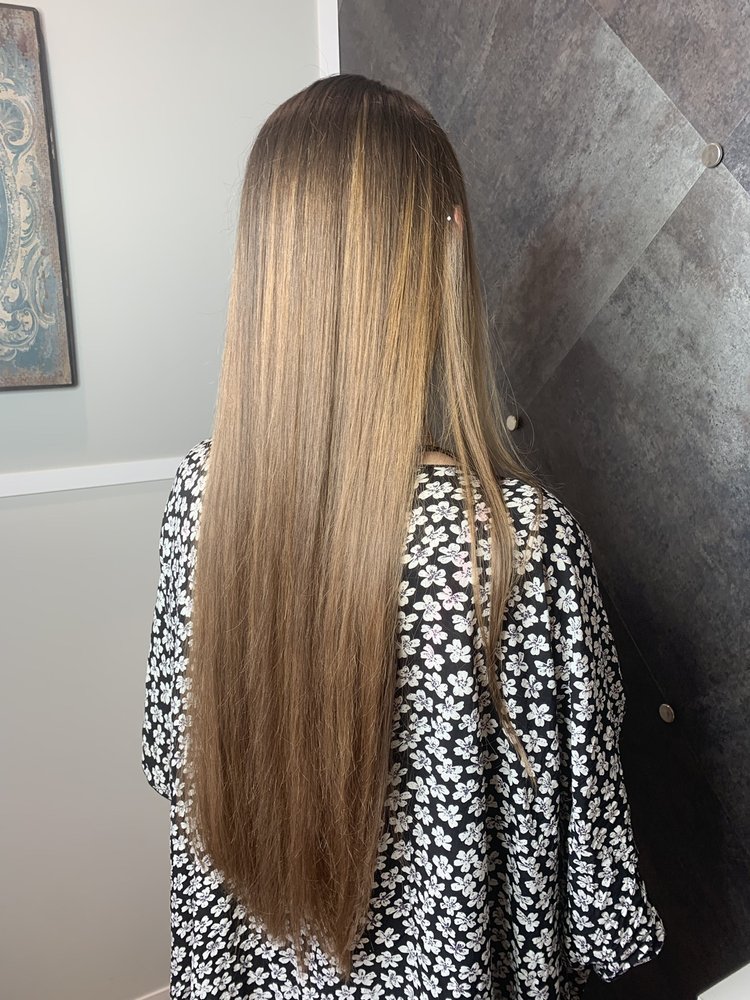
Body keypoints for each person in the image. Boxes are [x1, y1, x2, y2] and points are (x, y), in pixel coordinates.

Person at [141, 72, 665, 999]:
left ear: (267, 263)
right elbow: (597, 899)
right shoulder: (517, 549)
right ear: (447, 244)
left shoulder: (199, 497)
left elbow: (169, 761)